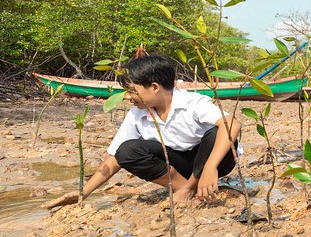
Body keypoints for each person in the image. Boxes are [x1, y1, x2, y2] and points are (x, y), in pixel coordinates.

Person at [42, 55, 240, 210]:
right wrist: (83, 193)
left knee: (216, 133)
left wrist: (210, 167)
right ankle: (184, 188)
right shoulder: (138, 113)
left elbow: (232, 125)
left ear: (154, 87)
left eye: (132, 90)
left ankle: (190, 188)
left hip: (213, 162)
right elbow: (115, 157)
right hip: (179, 165)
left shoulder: (192, 103)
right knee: (127, 150)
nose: (128, 97)